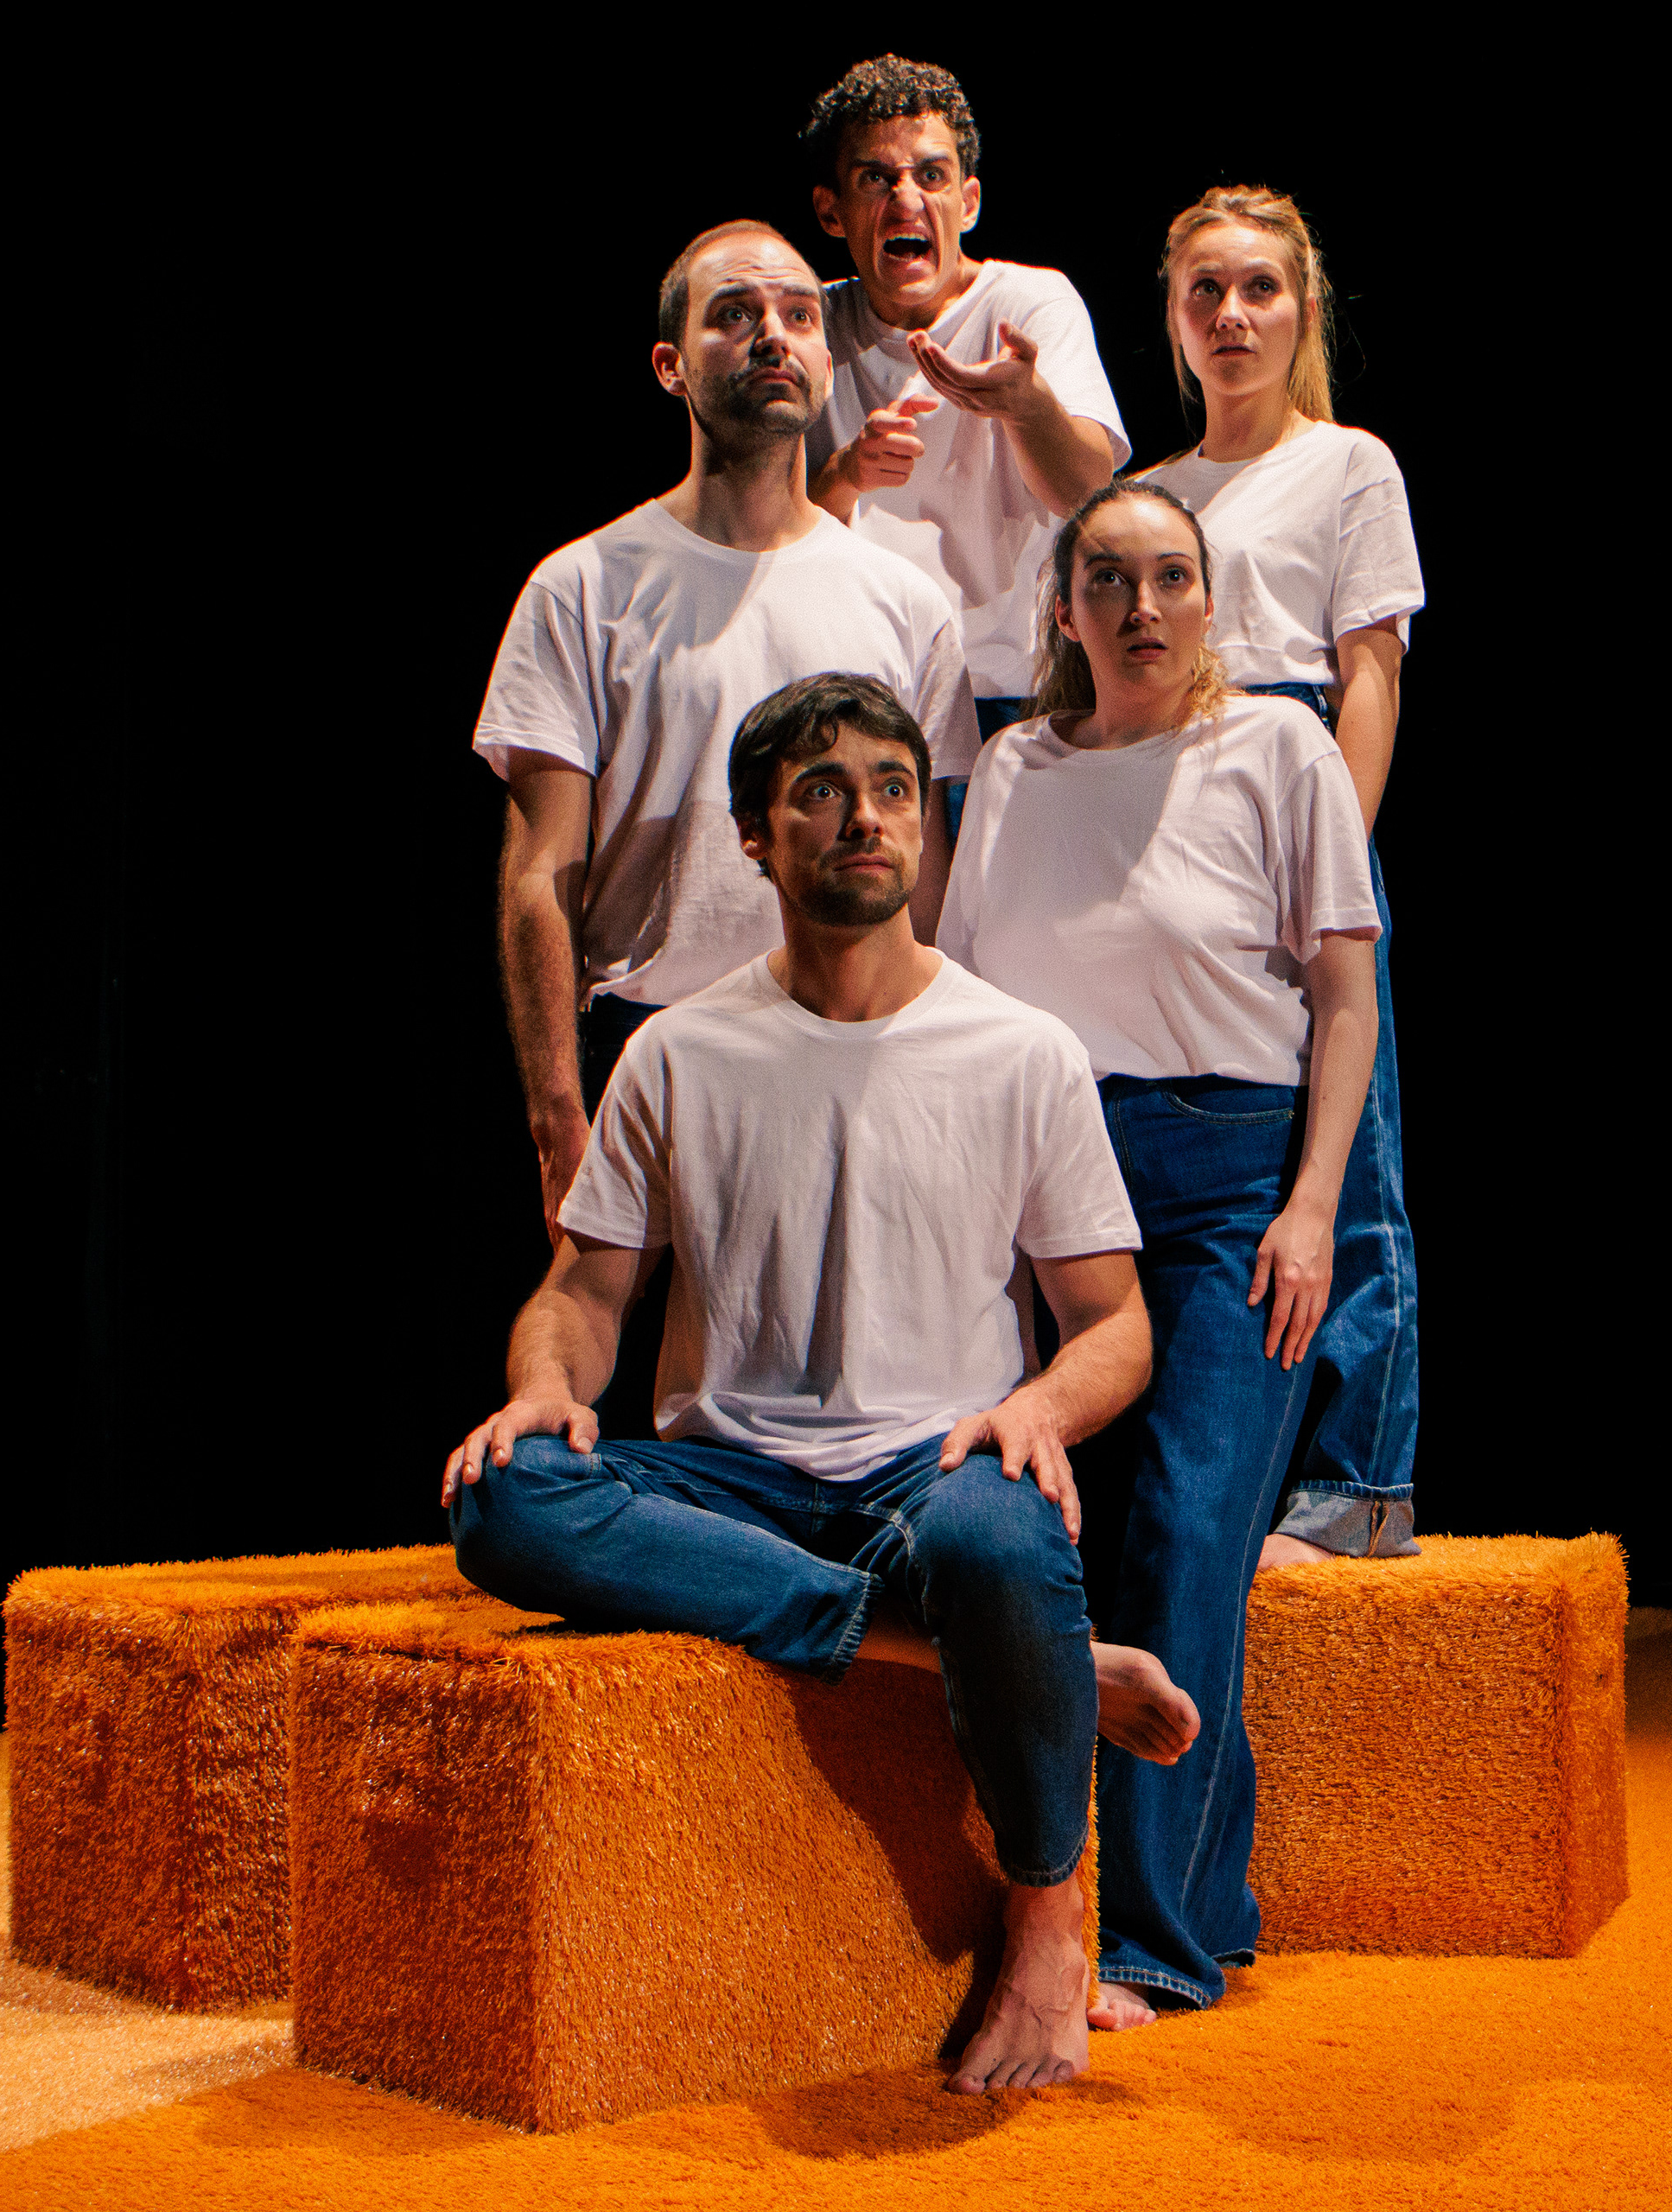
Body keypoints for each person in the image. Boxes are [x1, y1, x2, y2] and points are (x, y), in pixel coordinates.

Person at [443, 671, 1192, 2095]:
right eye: (822, 792)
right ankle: (1001, 1658)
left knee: (999, 1536)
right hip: (727, 1480)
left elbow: (1116, 1328)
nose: (866, 818)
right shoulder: (678, 1050)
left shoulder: (1023, 1050)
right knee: (509, 1496)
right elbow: (585, 1295)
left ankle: (1047, 1925)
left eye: (893, 789)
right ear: (754, 836)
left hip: (934, 1472)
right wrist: (546, 1383)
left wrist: (1036, 1409)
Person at [938, 482, 1380, 2024]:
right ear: (1063, 611)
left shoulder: (1279, 749)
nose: (1143, 606)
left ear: (1211, 599)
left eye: (1173, 576)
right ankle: (1198, 1897)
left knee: (1189, 1529)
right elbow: (964, 997)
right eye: (1110, 579)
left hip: (1226, 1180)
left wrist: (1314, 1206)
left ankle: (1150, 1941)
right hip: (1052, 1174)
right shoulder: (1014, 769)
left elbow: (1345, 1000)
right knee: (1071, 1528)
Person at [475, 218, 976, 1262]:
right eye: (736, 315)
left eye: (798, 316)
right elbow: (540, 870)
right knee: (613, 1357)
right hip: (649, 1041)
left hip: (855, 1044)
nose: (774, 336)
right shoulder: (585, 586)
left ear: (827, 361)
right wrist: (558, 1112)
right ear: (671, 364)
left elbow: (925, 880)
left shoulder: (906, 602)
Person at [1138, 188, 1426, 1567]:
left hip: (1296, 778)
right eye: (1206, 290)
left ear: (1303, 308)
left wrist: (1334, 857)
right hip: (1175, 798)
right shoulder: (1154, 490)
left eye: (1259, 288)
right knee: (1228, 1147)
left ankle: (1363, 1476)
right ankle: (1224, 1472)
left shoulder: (1349, 465)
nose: (1232, 314)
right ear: (1173, 314)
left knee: (1345, 1142)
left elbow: (1370, 674)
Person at [797, 54, 1128, 809]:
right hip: (860, 706)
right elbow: (761, 533)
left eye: (931, 175)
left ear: (969, 200)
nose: (906, 199)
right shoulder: (808, 325)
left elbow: (1087, 491)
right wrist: (845, 473)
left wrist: (1026, 404)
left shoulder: (1031, 301)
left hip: (1016, 696)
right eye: (875, 178)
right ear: (831, 210)